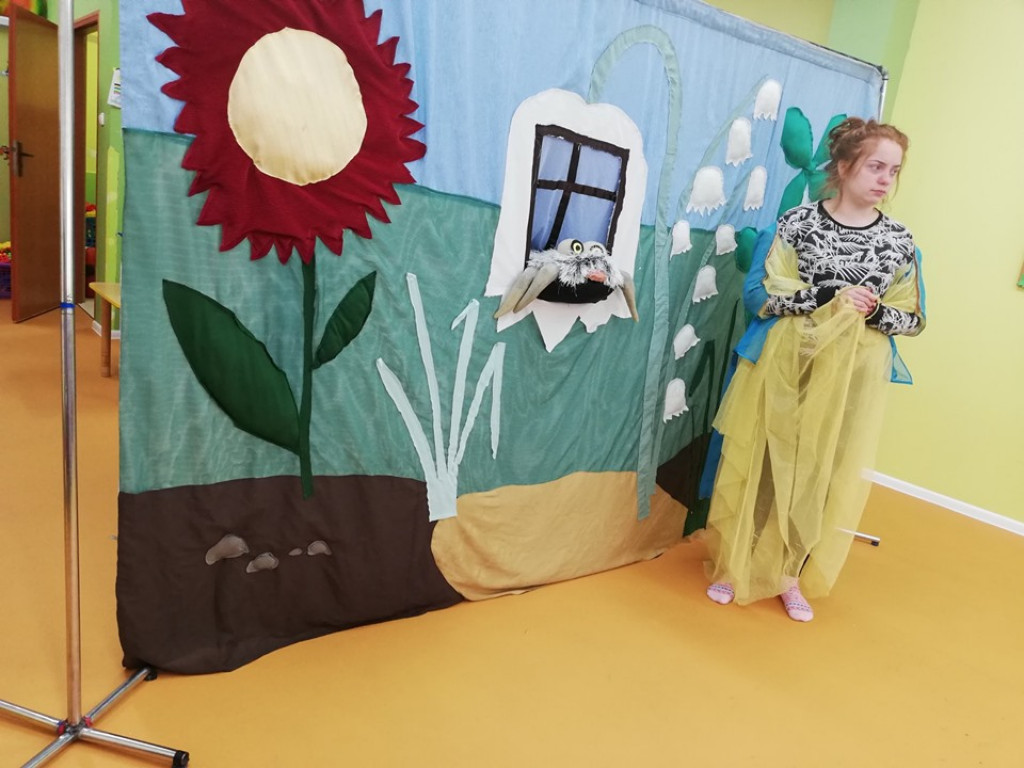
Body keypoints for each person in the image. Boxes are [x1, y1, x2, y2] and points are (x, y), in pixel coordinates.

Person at [702, 117, 926, 622]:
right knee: (762, 464)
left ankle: (787, 574)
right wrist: (826, 295)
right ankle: (734, 565)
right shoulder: (798, 224)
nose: (885, 179)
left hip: (847, 381)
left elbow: (912, 319)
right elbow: (759, 296)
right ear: (844, 166)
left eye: (894, 171)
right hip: (783, 369)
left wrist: (872, 310)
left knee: (819, 474)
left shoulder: (898, 241)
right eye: (875, 166)